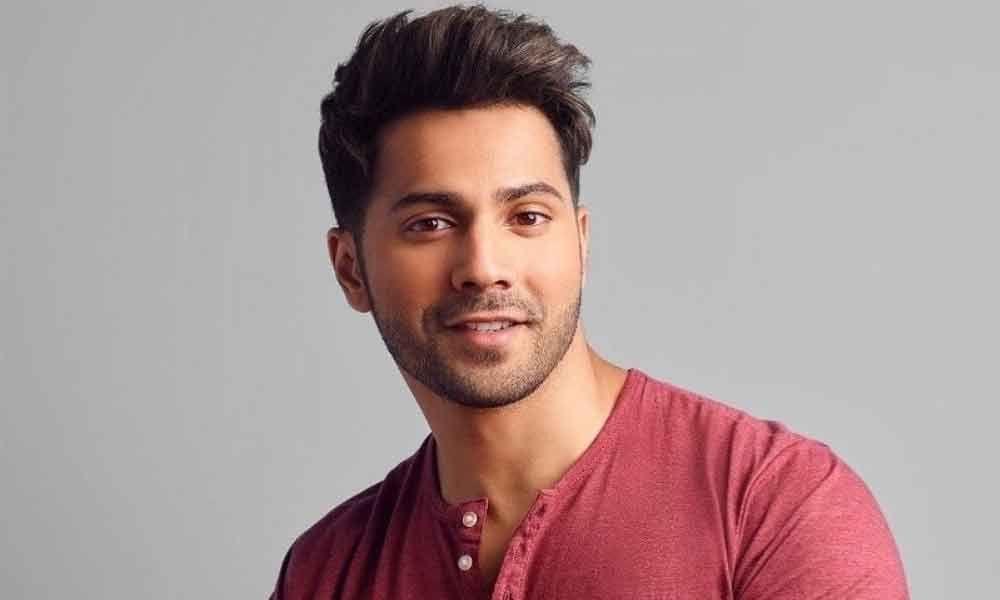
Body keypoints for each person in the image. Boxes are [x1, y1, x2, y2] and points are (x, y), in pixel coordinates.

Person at [270, 5, 909, 599]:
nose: (484, 268)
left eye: (527, 216)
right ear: (350, 269)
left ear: (580, 244)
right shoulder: (325, 572)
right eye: (431, 224)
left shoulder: (773, 505)